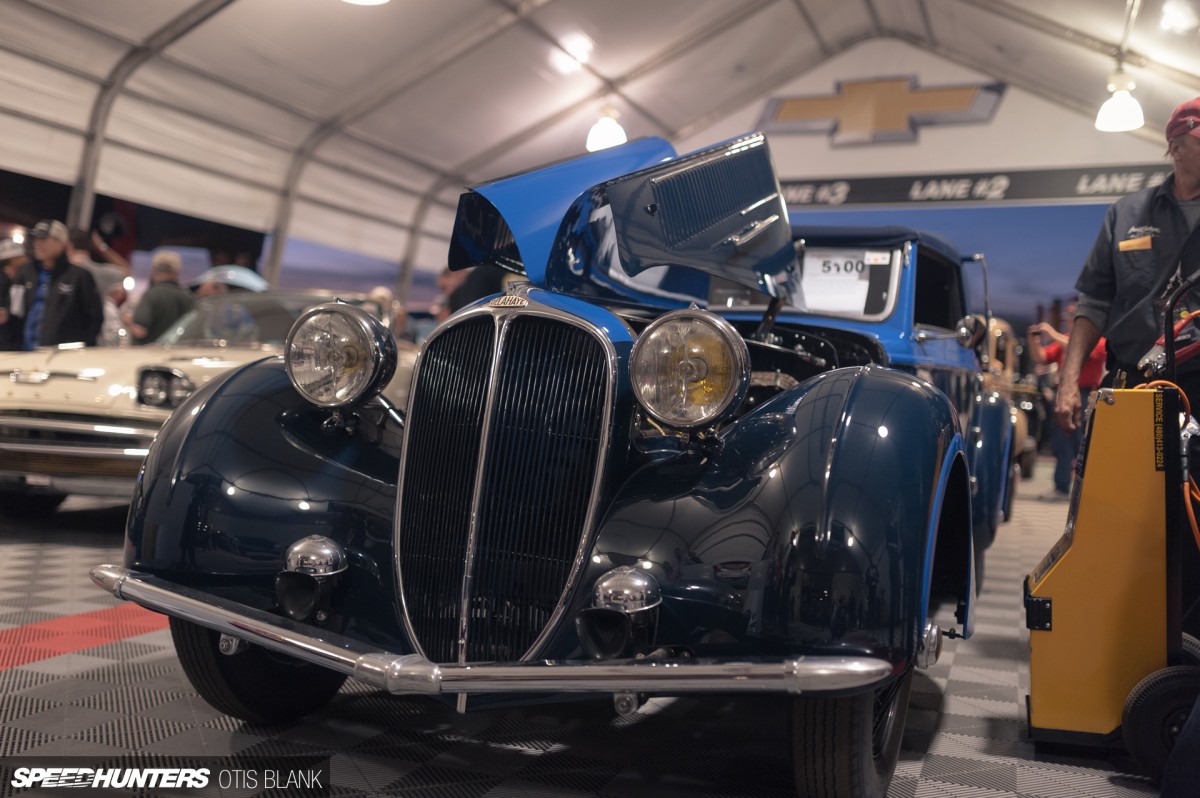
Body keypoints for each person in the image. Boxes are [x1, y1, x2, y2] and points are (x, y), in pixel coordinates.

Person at [1056, 96, 1200, 431]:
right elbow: (1093, 303)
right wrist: (1067, 382)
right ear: (1176, 148)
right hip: (1132, 386)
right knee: (1120, 484)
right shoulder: (1127, 214)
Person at [1028, 305, 1106, 500]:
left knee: (1084, 444)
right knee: (1061, 442)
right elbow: (1041, 357)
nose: (1069, 321)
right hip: (1065, 394)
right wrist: (1034, 340)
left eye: (1073, 317)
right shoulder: (1063, 340)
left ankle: (1089, 492)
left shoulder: (1099, 341)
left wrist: (1052, 333)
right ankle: (1062, 487)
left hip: (1087, 394)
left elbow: (1079, 350)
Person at [15, 219, 103, 349]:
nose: (38, 243)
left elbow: (95, 317)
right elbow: (15, 310)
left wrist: (81, 348)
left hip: (62, 357)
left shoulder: (79, 276)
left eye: (44, 239)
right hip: (24, 354)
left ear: (61, 243)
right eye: (36, 239)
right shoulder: (26, 272)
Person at [128, 250, 193, 344]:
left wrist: (128, 321)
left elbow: (139, 330)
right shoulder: (187, 296)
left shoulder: (151, 294)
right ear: (176, 272)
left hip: (150, 354)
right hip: (179, 353)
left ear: (153, 270)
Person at [0, 237, 29, 350]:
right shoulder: (3, 282)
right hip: (5, 345)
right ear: (14, 259)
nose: (26, 260)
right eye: (23, 257)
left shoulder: (16, 281)